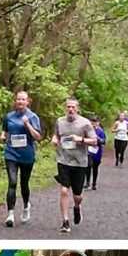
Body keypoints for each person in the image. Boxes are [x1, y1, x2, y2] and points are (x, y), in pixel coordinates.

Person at [50, 98, 97, 233]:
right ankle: (65, 221)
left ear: (77, 109)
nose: (70, 110)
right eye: (68, 107)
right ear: (66, 108)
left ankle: (77, 207)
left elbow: (94, 141)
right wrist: (54, 139)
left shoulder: (85, 123)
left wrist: (81, 139)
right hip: (63, 160)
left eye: (73, 107)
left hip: (80, 162)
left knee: (77, 195)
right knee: (64, 190)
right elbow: (56, 135)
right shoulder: (60, 121)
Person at [0, 91, 42, 227]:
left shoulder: (33, 116)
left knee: (24, 184)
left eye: (23, 99)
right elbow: (5, 130)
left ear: (28, 101)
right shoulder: (9, 116)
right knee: (12, 182)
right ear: (15, 101)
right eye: (18, 99)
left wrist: (28, 125)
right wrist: (2, 136)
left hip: (27, 155)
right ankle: (10, 214)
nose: (20, 102)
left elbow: (38, 137)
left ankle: (25, 206)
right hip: (11, 153)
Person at [85, 116, 105, 190]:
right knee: (88, 166)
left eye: (95, 122)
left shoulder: (100, 131)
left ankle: (94, 183)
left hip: (97, 153)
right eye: (92, 122)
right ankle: (87, 183)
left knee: (95, 168)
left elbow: (103, 141)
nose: (93, 124)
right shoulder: (87, 131)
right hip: (88, 152)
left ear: (98, 123)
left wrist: (97, 138)